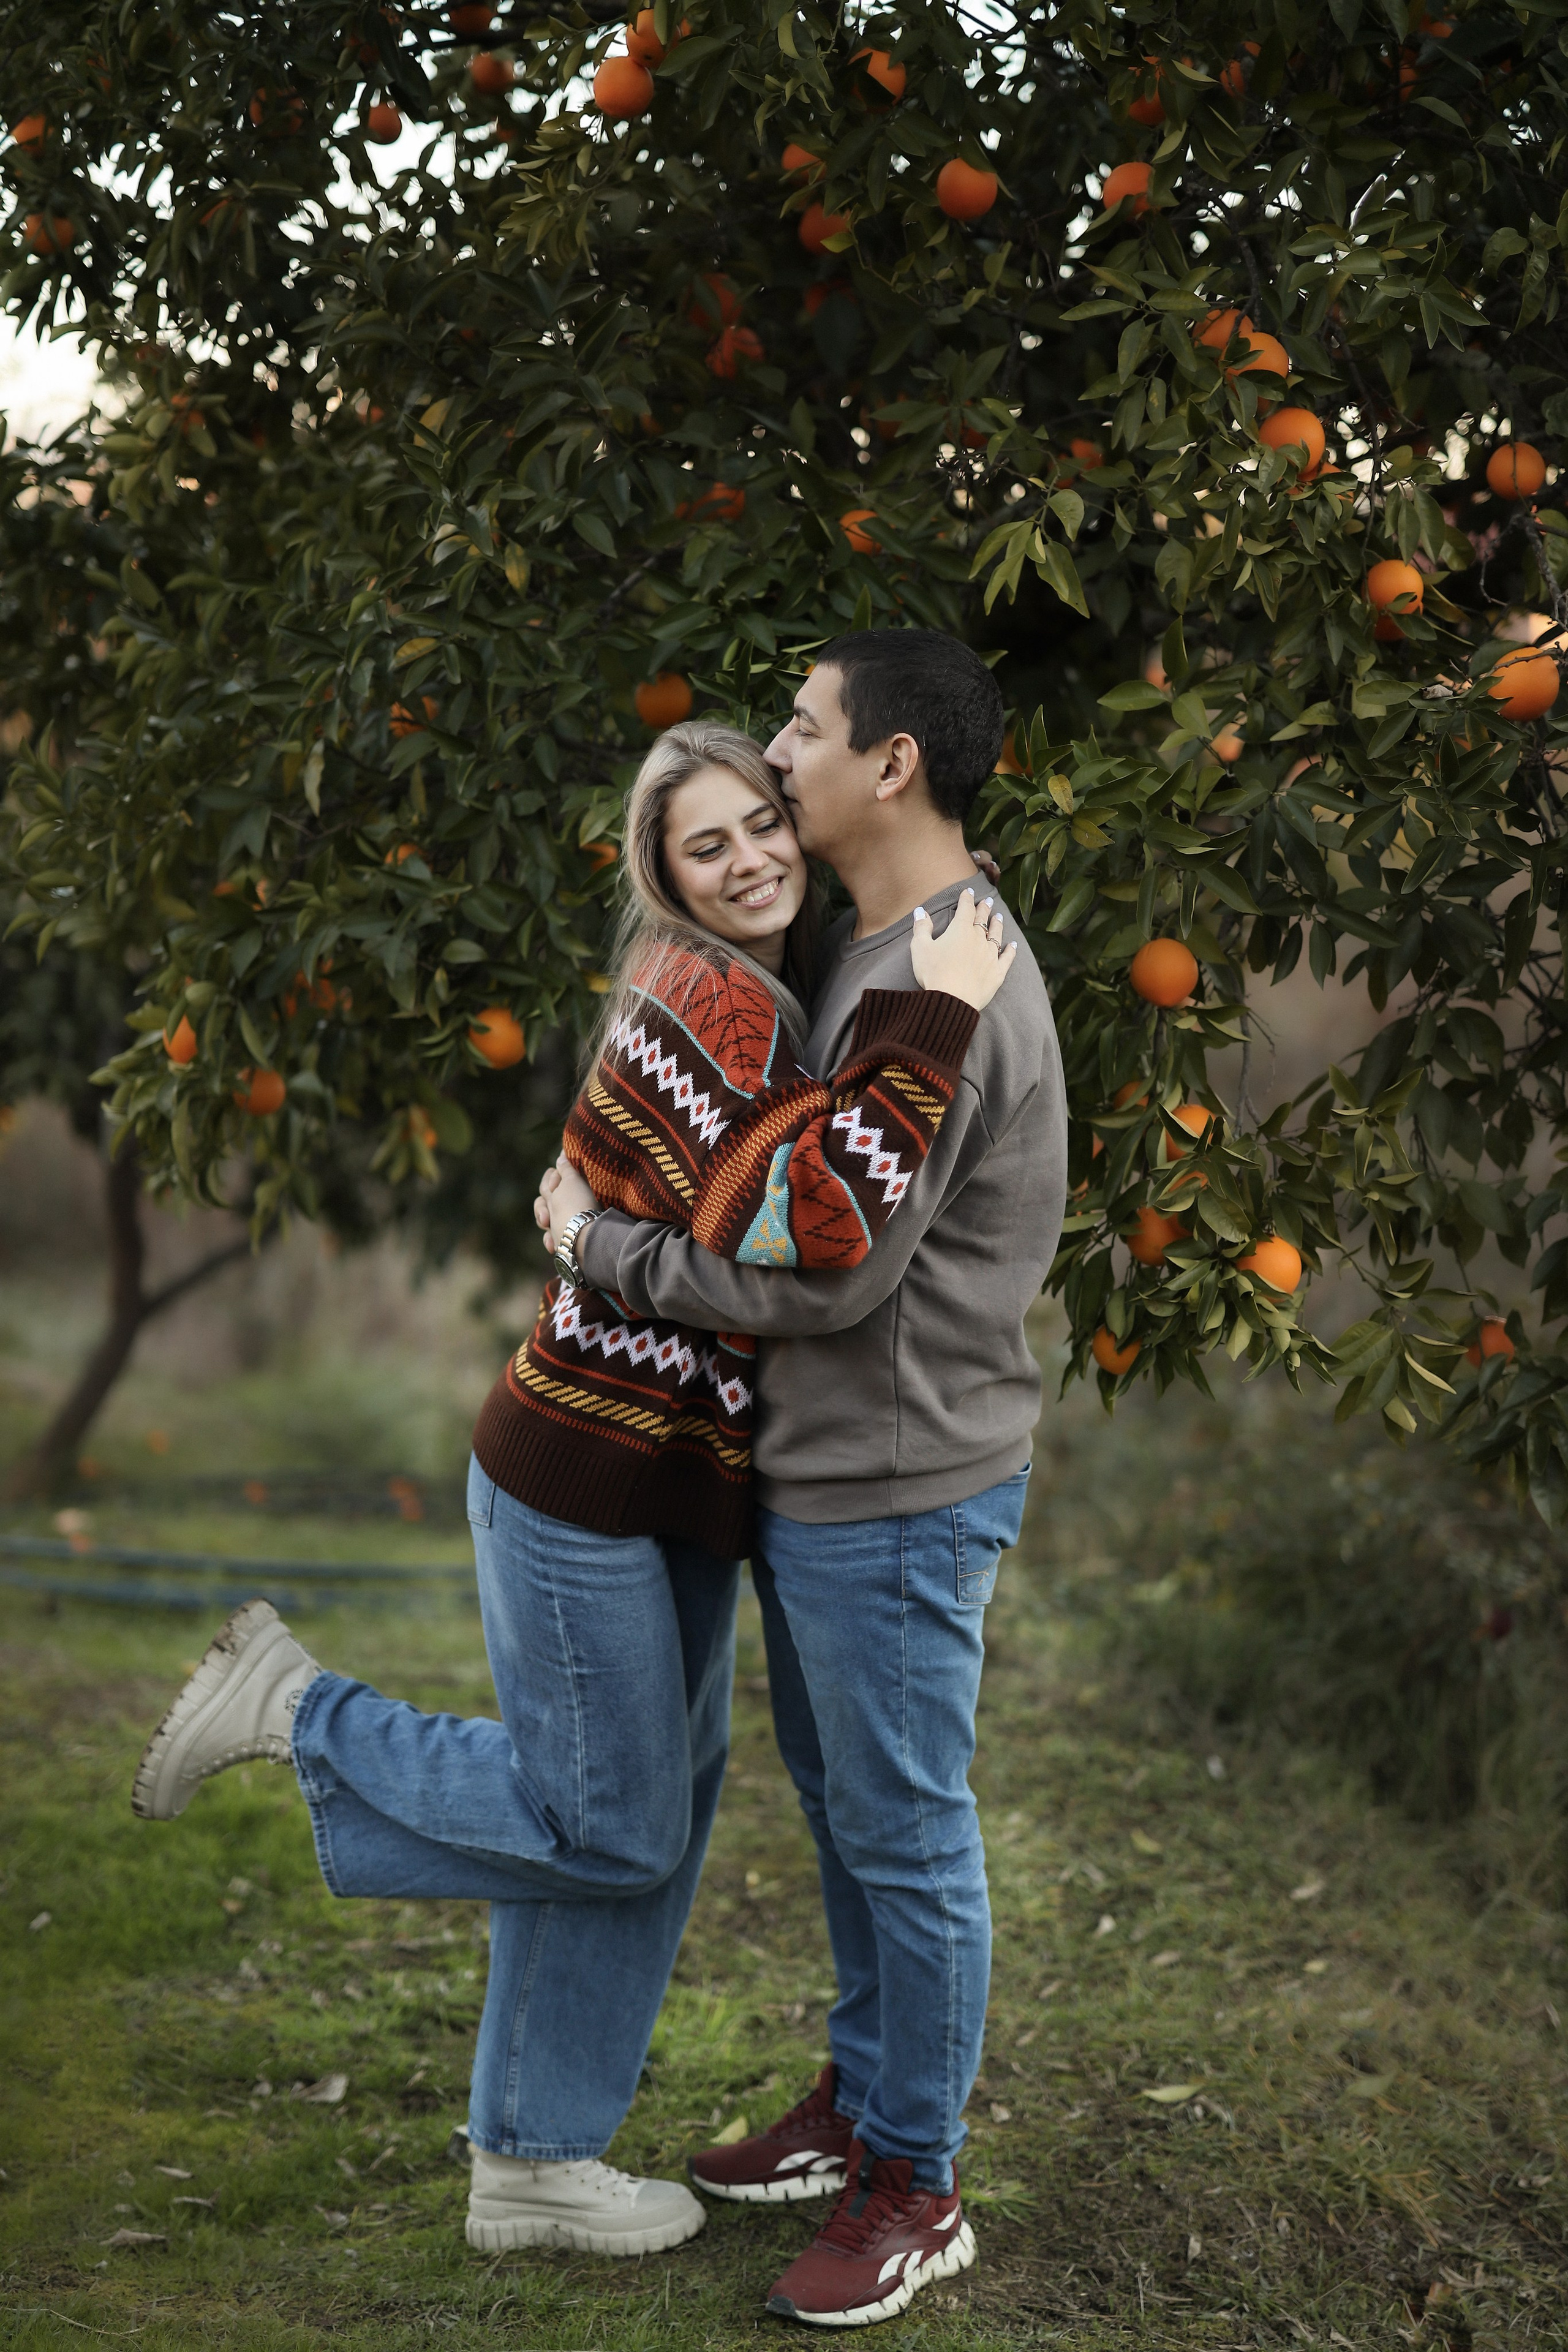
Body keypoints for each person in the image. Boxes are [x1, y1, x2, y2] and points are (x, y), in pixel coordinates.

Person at [129, 716, 1014, 2266]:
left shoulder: (790, 986)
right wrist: (934, 1023)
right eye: (705, 845)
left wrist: (942, 914)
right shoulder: (695, 1006)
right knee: (607, 1822)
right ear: (660, 880)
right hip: (585, 1475)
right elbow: (798, 1218)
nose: (745, 858)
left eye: (760, 823)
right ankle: (296, 1709)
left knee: (637, 1821)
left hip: (668, 1483)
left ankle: (533, 2166)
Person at [538, 628, 1066, 2326]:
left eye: (802, 726)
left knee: (906, 1833)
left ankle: (919, 2183)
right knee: (853, 1821)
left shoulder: (946, 981)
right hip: (835, 1476)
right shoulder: (880, 955)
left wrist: (610, 1252)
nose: (777, 758)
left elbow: (833, 1274)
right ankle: (866, 2100)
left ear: (889, 763)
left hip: (904, 1489)